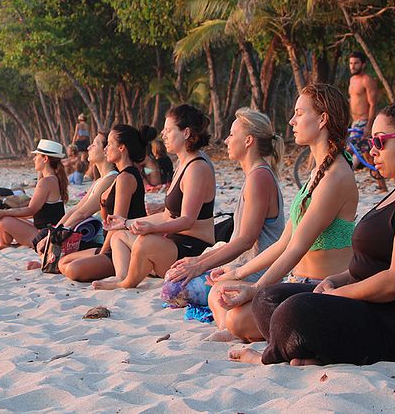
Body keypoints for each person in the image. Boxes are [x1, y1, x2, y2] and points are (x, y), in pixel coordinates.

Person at [237, 101, 395, 366]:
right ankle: (312, 353)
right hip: (373, 305)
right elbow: (370, 264)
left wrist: (340, 294)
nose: (372, 150)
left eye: (380, 141)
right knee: (268, 300)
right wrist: (335, 280)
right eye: (370, 142)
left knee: (293, 313)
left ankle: (271, 357)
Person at [207, 83, 359, 343]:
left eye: (300, 113)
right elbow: (283, 242)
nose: (291, 121)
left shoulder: (336, 176)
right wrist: (236, 274)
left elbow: (297, 247)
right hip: (297, 280)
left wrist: (256, 289)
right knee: (221, 291)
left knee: (236, 319)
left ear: (322, 119)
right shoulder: (318, 172)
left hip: (321, 287)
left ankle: (237, 329)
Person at [162, 108, 285, 314]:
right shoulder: (254, 175)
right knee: (174, 278)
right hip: (242, 264)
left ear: (248, 140)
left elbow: (246, 240)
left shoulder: (259, 178)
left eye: (231, 135)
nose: (226, 141)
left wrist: (200, 266)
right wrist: (197, 261)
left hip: (257, 271)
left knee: (174, 290)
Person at [93, 104, 216, 290]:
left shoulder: (197, 168)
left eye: (168, 130)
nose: (163, 135)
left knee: (145, 241)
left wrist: (153, 228)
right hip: (173, 245)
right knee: (119, 236)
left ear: (186, 133)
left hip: (193, 248)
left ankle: (126, 283)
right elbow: (168, 215)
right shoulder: (182, 165)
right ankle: (121, 275)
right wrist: (126, 222)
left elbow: (187, 220)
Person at [58, 125, 155, 282]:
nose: (106, 149)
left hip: (121, 248)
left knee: (72, 269)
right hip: (109, 243)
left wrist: (103, 252)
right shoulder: (119, 176)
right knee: (63, 262)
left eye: (109, 144)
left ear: (122, 148)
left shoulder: (126, 177)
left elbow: (118, 223)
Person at [0, 139, 68, 249]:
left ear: (45, 159)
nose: (34, 159)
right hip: (51, 231)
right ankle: (9, 243)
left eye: (37, 156)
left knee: (4, 221)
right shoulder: (54, 179)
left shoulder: (46, 182)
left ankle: (3, 244)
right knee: (9, 217)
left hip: (46, 235)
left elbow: (31, 209)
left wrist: (3, 212)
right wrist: (7, 212)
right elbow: (37, 212)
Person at [348, 51, 385, 191]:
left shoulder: (367, 80)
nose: (353, 66)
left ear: (363, 64)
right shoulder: (352, 80)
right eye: (351, 63)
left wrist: (369, 126)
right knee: (368, 155)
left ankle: (342, 183)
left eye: (356, 63)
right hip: (355, 122)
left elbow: (373, 104)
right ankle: (382, 186)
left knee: (349, 151)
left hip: (365, 122)